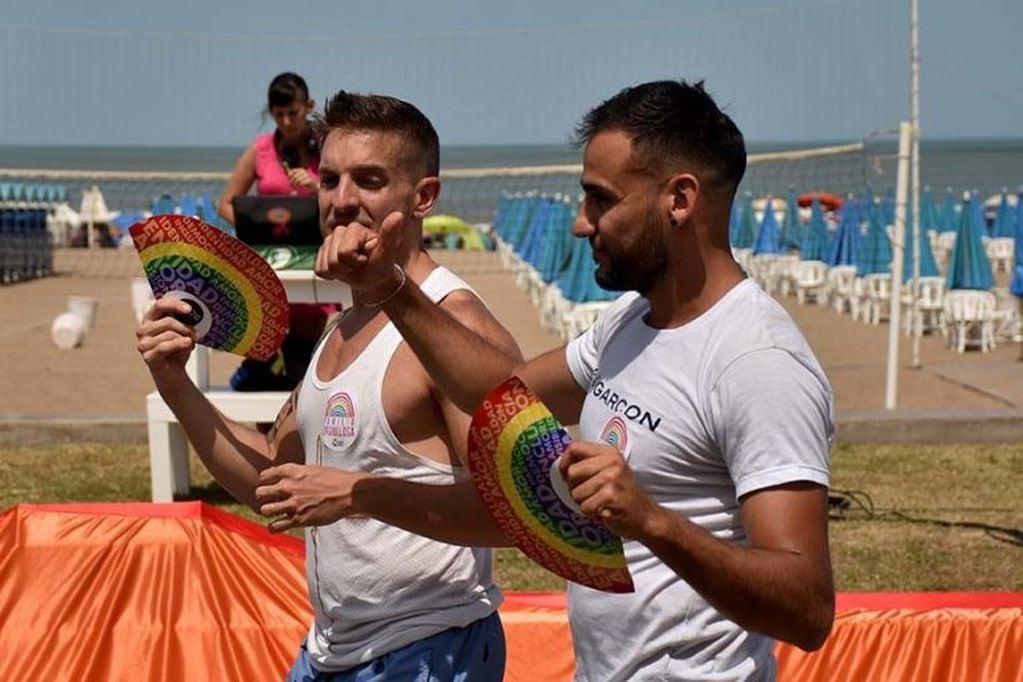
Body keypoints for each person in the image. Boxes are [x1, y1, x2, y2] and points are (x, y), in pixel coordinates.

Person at [267, 79, 836, 680]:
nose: (581, 225)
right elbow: (499, 395)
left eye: (601, 199)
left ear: (680, 200)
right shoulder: (629, 324)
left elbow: (806, 608)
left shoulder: (758, 361)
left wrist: (652, 520)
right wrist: (389, 289)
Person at [138, 90, 518, 681]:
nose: (341, 202)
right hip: (327, 652)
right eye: (330, 179)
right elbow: (271, 478)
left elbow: (514, 515)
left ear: (424, 197)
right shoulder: (344, 323)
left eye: (368, 180)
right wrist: (175, 385)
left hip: (429, 647)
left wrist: (358, 493)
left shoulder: (457, 322)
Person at [218, 72, 335, 392]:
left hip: (312, 262)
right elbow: (226, 202)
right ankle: (260, 428)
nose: (285, 121)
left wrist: (317, 188)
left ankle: (293, 431)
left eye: (293, 113)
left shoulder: (328, 146)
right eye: (277, 114)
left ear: (308, 106)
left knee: (300, 360)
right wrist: (253, 230)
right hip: (268, 266)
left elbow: (344, 200)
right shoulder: (261, 149)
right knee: (264, 358)